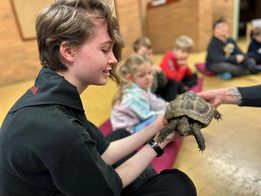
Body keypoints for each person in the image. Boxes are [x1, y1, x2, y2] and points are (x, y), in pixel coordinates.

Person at [0, 0, 197, 196]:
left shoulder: (50, 94)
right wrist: (160, 142)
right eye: (104, 49)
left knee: (120, 134)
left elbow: (105, 152)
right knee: (178, 186)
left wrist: (158, 125)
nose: (113, 59)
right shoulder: (58, 127)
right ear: (68, 51)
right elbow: (108, 189)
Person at [111, 54, 168, 134]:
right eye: (142, 75)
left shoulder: (142, 87)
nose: (148, 77)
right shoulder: (134, 97)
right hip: (128, 132)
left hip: (139, 122)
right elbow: (148, 117)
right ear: (130, 78)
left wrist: (170, 106)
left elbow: (155, 102)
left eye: (150, 73)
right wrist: (168, 113)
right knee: (161, 121)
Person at [133, 37, 185, 101]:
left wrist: (160, 72)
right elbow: (151, 90)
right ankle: (168, 103)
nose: (146, 57)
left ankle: (184, 94)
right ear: (135, 54)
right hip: (147, 95)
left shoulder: (150, 64)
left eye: (149, 54)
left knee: (173, 83)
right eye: (143, 54)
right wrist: (152, 74)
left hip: (156, 90)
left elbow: (163, 83)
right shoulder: (135, 68)